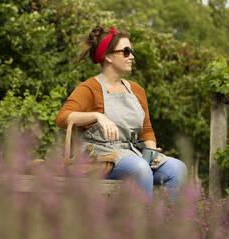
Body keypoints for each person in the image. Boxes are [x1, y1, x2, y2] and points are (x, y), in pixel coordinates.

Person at [55, 26, 187, 199]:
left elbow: (146, 130)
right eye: (126, 51)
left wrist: (151, 152)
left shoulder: (137, 90)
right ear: (108, 57)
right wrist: (97, 116)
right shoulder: (89, 88)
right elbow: (62, 118)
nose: (131, 56)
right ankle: (138, 223)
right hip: (103, 159)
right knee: (140, 168)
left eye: (131, 51)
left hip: (133, 155)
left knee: (178, 169)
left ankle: (169, 223)